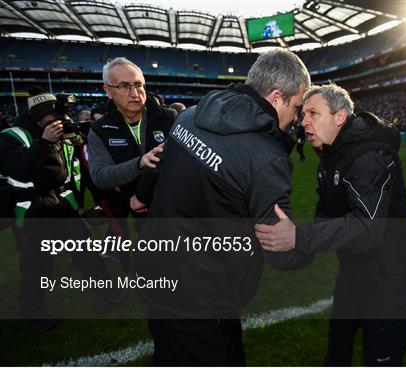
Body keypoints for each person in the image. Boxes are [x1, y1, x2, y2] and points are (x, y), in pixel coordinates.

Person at [130, 48, 313, 366]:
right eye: (296, 107)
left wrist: (140, 196)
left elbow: (158, 169)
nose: (296, 118)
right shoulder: (265, 158)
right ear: (275, 97)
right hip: (201, 298)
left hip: (155, 274)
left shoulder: (189, 116)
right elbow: (282, 254)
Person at [255, 84, 406, 366]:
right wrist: (286, 252)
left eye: (313, 113)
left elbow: (367, 229)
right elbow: (325, 217)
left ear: (340, 117)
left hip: (388, 282)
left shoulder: (369, 156)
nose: (303, 120)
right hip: (353, 275)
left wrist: (297, 236)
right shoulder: (329, 158)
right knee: (337, 349)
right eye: (303, 113)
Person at [0, 87, 117, 331]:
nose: (59, 123)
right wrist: (44, 143)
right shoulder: (11, 136)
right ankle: (34, 312)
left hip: (64, 206)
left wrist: (89, 205)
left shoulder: (65, 135)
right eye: (53, 119)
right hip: (31, 210)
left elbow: (73, 174)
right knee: (37, 265)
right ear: (39, 118)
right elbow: (18, 170)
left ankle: (107, 292)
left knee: (86, 251)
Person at [88, 57, 177, 236]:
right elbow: (101, 177)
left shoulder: (171, 119)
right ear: (108, 90)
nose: (135, 93)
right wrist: (139, 163)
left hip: (178, 212)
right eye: (124, 86)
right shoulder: (99, 130)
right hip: (142, 217)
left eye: (139, 85)